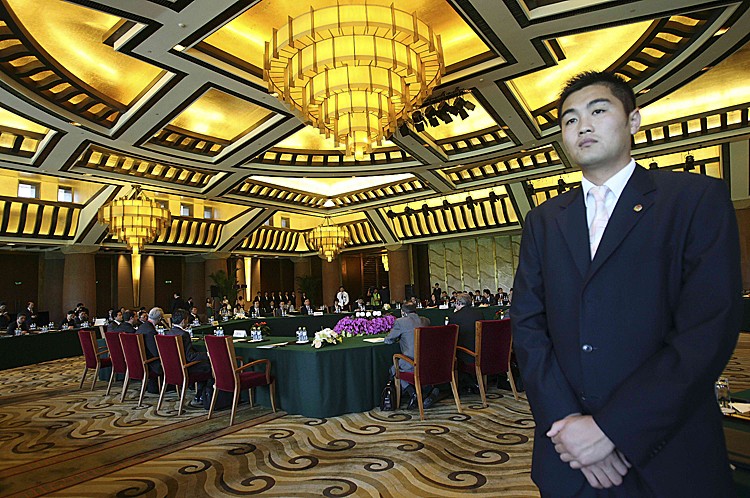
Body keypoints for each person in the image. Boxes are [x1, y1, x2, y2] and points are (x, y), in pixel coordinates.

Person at [510, 71, 742, 497]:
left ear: (633, 120)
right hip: (569, 458)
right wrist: (571, 432)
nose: (583, 125)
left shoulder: (693, 199)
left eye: (598, 110)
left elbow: (708, 328)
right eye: (570, 119)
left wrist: (613, 429)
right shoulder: (543, 220)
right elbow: (528, 327)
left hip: (669, 452)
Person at [384, 302, 434, 410]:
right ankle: (425, 392)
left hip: (411, 361)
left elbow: (388, 340)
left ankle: (413, 393)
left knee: (393, 369)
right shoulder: (426, 320)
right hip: (427, 362)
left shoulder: (401, 322)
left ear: (403, 312)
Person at [167, 308, 212, 406]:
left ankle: (200, 395)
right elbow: (190, 356)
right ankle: (201, 395)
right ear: (183, 321)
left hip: (171, 369)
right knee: (208, 366)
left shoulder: (168, 333)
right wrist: (207, 354)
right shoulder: (184, 334)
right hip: (185, 369)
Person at [449, 293, 483, 394]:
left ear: (458, 303)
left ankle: (465, 384)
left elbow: (451, 336)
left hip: (466, 355)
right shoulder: (479, 314)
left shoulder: (455, 317)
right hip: (481, 352)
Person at [137, 307, 164, 394]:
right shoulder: (150, 331)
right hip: (150, 363)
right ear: (159, 319)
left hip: (138, 361)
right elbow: (156, 353)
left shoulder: (142, 327)